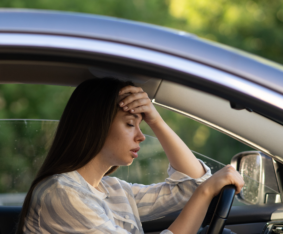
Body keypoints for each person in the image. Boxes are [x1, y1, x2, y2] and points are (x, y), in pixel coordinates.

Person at [16, 78, 244, 234]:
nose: (141, 136)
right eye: (129, 124)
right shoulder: (61, 193)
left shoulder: (114, 190)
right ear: (96, 126)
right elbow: (200, 188)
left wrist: (156, 120)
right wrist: (206, 192)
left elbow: (190, 185)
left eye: (141, 125)